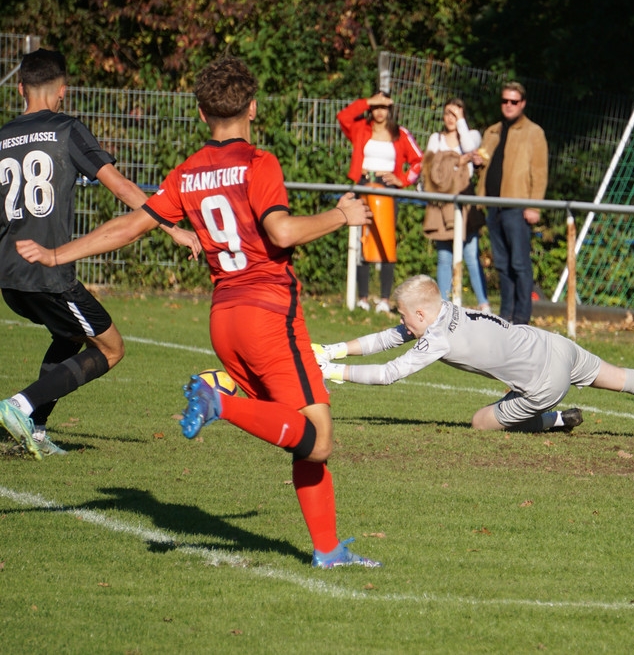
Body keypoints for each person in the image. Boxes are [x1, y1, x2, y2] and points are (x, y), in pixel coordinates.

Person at [17, 56, 381, 569]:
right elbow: (280, 232)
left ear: (201, 112)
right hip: (268, 312)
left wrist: (57, 254)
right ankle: (220, 402)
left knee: (304, 429)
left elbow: (128, 227)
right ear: (253, 107)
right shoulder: (260, 162)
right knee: (318, 439)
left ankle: (328, 549)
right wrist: (341, 215)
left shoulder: (188, 172)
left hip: (224, 318)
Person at [0, 48, 200, 459]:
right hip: (49, 276)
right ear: (62, 92)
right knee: (111, 349)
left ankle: (34, 430)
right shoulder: (66, 128)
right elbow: (122, 187)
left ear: (20, 88)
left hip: (8, 277)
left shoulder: (2, 136)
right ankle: (19, 406)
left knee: (69, 335)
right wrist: (173, 228)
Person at [313, 275, 634, 436]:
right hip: (552, 345)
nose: (401, 323)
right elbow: (391, 337)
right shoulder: (447, 308)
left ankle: (555, 420)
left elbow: (388, 374)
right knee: (617, 376)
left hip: (545, 384)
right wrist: (333, 350)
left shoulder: (436, 340)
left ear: (419, 314)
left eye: (403, 315)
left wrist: (331, 372)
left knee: (480, 422)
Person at [337, 91, 422, 314]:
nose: (379, 111)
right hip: (364, 186)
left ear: (390, 109)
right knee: (363, 239)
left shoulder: (400, 134)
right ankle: (363, 297)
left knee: (386, 241)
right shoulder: (360, 129)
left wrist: (402, 180)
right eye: (376, 106)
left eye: (384, 107)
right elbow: (343, 117)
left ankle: (385, 298)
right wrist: (367, 101)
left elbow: (419, 162)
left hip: (387, 190)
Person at [471, 81, 547, 325]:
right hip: (493, 205)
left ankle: (522, 316)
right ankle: (506, 315)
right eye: (505, 101)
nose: (509, 106)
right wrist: (476, 162)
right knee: (501, 264)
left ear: (522, 103)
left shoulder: (534, 132)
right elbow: (484, 162)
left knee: (519, 263)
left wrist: (534, 205)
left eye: (514, 101)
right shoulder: (492, 131)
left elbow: (540, 172)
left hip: (517, 206)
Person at [422, 98, 490, 312]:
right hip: (441, 203)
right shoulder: (436, 138)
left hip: (465, 201)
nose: (450, 118)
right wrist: (458, 161)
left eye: (456, 114)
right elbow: (431, 167)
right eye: (448, 113)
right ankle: (443, 304)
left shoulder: (472, 136)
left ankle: (484, 303)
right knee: (444, 256)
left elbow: (472, 149)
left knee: (471, 254)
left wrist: (462, 124)